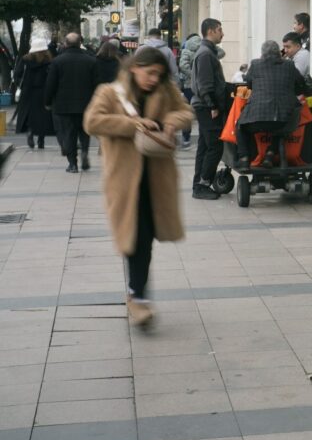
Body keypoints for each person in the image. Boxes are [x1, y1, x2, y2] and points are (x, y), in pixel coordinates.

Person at [83, 46, 193, 327]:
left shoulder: (165, 90)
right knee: (137, 237)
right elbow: (92, 122)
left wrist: (170, 121)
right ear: (135, 67)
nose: (154, 79)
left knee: (146, 234)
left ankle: (137, 293)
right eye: (150, 73)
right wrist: (133, 124)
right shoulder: (109, 92)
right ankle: (138, 296)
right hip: (124, 180)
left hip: (157, 178)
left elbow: (185, 111)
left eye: (159, 74)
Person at [235, 40, 306, 169]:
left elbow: (249, 84)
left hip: (257, 117)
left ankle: (244, 157)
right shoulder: (289, 65)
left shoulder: (255, 64)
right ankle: (270, 153)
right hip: (287, 119)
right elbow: (301, 84)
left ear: (262, 53)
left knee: (240, 126)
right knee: (280, 128)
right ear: (278, 52)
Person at [44, 33, 99, 173]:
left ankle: (72, 164)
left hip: (64, 105)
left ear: (66, 44)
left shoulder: (57, 61)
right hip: (86, 104)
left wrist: (47, 101)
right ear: (80, 42)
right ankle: (85, 152)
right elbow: (97, 84)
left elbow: (51, 84)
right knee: (84, 131)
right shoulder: (91, 61)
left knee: (68, 133)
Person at [190, 19, 226, 199]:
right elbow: (205, 84)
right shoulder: (205, 54)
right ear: (211, 31)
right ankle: (203, 184)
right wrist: (212, 105)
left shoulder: (206, 52)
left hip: (204, 105)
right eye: (220, 30)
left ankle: (199, 184)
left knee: (204, 146)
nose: (222, 33)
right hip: (206, 106)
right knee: (215, 146)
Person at [14, 40, 56, 149]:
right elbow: (52, 77)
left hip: (27, 91)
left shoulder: (25, 60)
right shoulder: (49, 61)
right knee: (42, 117)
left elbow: (17, 74)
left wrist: (21, 84)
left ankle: (30, 133)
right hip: (43, 91)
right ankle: (41, 140)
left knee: (29, 115)